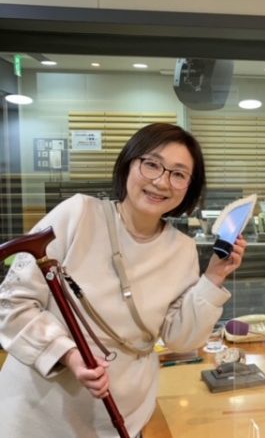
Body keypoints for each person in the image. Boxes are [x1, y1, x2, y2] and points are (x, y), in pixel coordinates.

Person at [0, 123, 247, 437]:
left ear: (189, 186)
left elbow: (180, 339)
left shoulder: (182, 249)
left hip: (124, 417)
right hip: (38, 416)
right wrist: (68, 355)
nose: (161, 181)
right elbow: (12, 302)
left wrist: (213, 276)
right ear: (129, 163)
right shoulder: (77, 214)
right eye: (152, 164)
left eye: (178, 174)